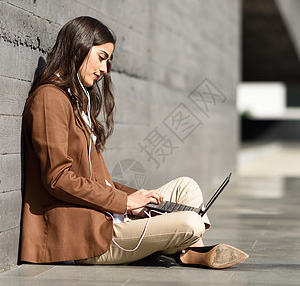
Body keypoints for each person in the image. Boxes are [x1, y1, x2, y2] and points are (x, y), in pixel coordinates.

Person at [20, 16, 248, 269]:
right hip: (88, 235)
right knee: (191, 223)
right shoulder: (49, 99)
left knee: (187, 187)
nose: (105, 70)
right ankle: (190, 250)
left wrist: (135, 198)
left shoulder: (75, 102)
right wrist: (124, 203)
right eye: (102, 57)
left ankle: (186, 250)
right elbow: (58, 179)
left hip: (108, 216)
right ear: (79, 47)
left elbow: (97, 181)